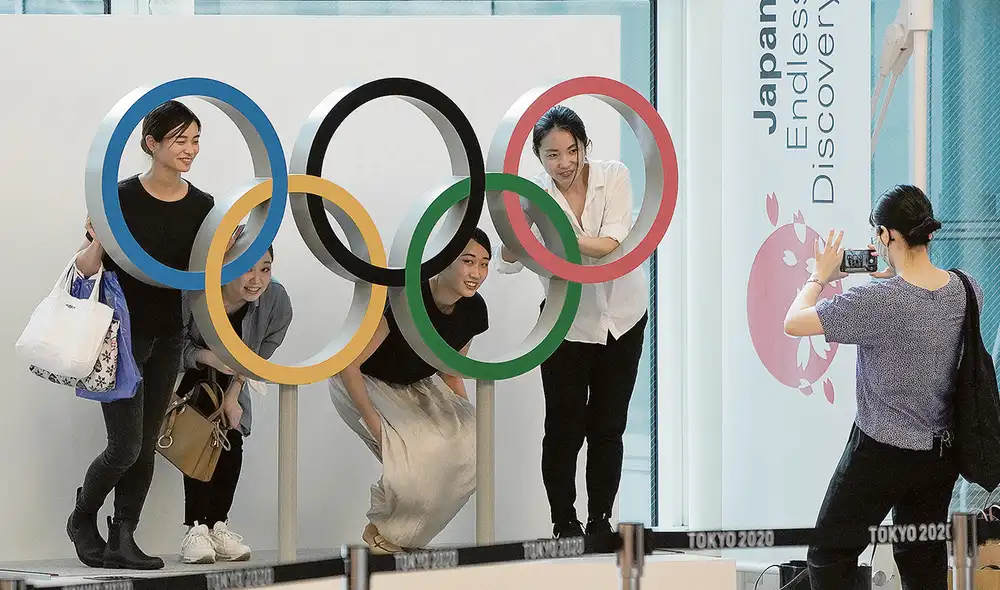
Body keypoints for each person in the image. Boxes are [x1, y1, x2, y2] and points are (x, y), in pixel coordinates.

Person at [783, 184, 979, 589]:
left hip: (879, 453)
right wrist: (892, 270)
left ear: (887, 236)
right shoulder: (966, 289)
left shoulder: (877, 302)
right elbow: (921, 297)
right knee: (921, 559)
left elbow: (793, 321)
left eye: (878, 235)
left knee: (829, 553)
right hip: (941, 454)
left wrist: (819, 278)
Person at [68, 100, 215, 570]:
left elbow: (203, 272)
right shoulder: (120, 197)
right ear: (151, 144)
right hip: (119, 336)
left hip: (169, 334)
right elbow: (85, 268)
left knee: (147, 444)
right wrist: (96, 240)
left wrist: (226, 249)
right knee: (124, 447)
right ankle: (82, 517)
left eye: (195, 139)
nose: (190, 149)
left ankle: (123, 536)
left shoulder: (203, 206)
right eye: (180, 140)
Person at [495, 105, 649, 539]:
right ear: (538, 157)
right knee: (563, 428)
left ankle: (601, 521)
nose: (564, 163)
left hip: (623, 318)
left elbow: (608, 246)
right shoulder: (533, 196)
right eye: (552, 155)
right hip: (565, 324)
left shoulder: (613, 175)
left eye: (571, 150)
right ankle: (564, 521)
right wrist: (521, 229)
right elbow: (508, 261)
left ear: (585, 147)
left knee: (608, 426)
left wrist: (550, 237)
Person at [327, 229, 491, 554]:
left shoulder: (473, 310)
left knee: (476, 446)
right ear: (444, 261)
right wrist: (374, 424)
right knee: (418, 458)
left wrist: (465, 422)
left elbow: (450, 369)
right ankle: (387, 536)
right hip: (365, 380)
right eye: (468, 261)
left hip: (417, 383)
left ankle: (393, 538)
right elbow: (349, 365)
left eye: (484, 264)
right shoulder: (405, 297)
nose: (476, 273)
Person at [176, 227, 292, 564]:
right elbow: (171, 346)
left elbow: (261, 350)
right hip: (189, 372)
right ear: (225, 265)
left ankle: (217, 526)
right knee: (200, 434)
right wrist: (207, 357)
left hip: (234, 379)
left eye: (265, 268)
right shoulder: (195, 292)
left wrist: (235, 392)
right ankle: (196, 528)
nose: (256, 279)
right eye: (247, 268)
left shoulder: (276, 301)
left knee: (232, 434)